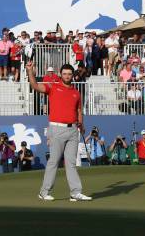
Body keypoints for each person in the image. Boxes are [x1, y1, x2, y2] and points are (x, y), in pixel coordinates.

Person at [26, 61, 91, 202]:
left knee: (71, 163)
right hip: (56, 129)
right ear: (60, 75)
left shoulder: (76, 92)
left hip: (73, 129)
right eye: (64, 74)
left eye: (69, 74)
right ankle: (44, 192)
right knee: (54, 161)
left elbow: (79, 110)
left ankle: (75, 192)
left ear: (73, 75)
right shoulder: (53, 87)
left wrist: (81, 124)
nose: (67, 76)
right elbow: (35, 86)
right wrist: (30, 72)